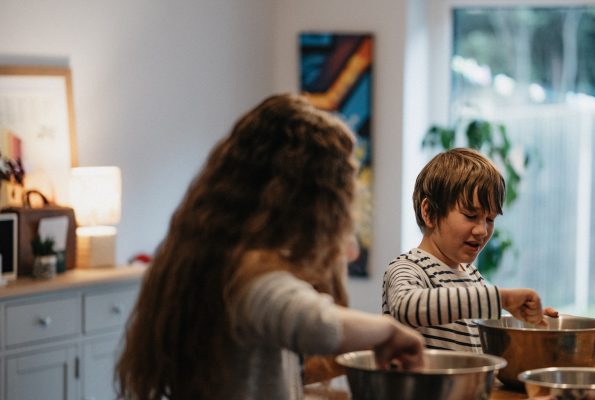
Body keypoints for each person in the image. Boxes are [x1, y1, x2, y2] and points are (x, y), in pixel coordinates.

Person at [116, 94, 424, 400]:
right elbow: (319, 325)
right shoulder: (248, 277)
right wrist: (389, 330)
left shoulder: (209, 257)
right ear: (304, 203)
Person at [382, 147, 557, 353]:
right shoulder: (408, 268)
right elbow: (406, 306)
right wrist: (503, 298)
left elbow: (482, 325)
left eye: (490, 219)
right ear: (429, 212)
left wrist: (528, 320)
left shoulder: (474, 278)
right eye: (470, 215)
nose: (482, 230)